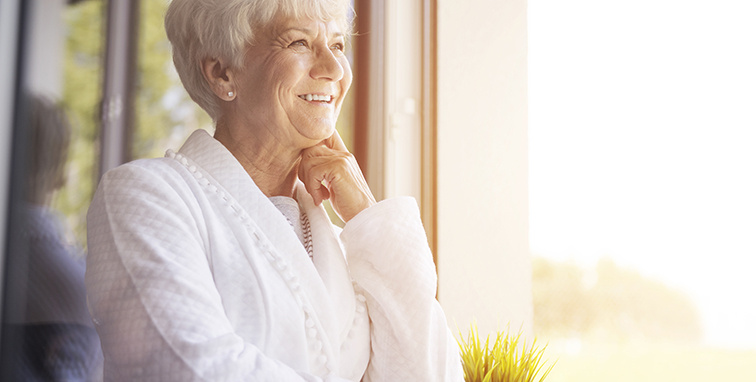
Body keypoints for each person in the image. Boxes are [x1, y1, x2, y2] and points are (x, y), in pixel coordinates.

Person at [85, 0, 463, 380]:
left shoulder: (350, 245)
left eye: (337, 45)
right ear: (222, 73)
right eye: (298, 42)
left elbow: (431, 373)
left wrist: (367, 214)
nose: (334, 69)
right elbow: (187, 368)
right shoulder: (147, 198)